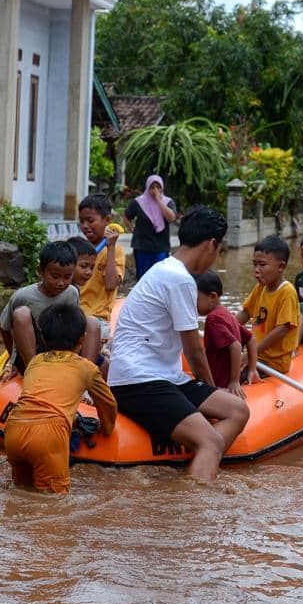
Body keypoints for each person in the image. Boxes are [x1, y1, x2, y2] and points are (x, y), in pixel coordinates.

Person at [108, 206, 249, 481]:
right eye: (219, 249)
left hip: (165, 376)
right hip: (138, 380)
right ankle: (193, 495)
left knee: (238, 409)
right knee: (211, 441)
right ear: (211, 244)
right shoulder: (179, 279)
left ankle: (198, 465)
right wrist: (210, 389)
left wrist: (207, 395)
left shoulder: (167, 269)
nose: (216, 257)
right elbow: (194, 351)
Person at [4, 303, 117, 494]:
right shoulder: (86, 368)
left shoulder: (35, 362)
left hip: (13, 430)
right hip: (49, 435)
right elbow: (108, 404)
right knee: (54, 501)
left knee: (22, 491)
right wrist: (106, 428)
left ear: (43, 337)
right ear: (82, 339)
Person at [0, 241, 100, 372]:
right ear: (40, 271)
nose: (61, 283)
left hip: (62, 351)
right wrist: (12, 358)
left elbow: (75, 327)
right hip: (34, 354)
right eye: (55, 277)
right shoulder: (22, 296)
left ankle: (85, 373)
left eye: (67, 277)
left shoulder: (72, 293)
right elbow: (4, 327)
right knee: (21, 314)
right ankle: (33, 371)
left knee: (92, 322)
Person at [236, 235, 299, 375]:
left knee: (235, 374)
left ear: (281, 267)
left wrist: (251, 353)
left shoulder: (287, 292)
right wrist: (226, 327)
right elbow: (245, 313)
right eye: (254, 264)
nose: (256, 270)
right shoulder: (261, 287)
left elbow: (282, 329)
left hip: (273, 362)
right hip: (257, 354)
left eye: (262, 265)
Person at [195, 269, 258, 398]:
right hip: (222, 379)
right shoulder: (226, 314)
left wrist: (234, 381)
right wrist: (252, 369)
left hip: (219, 383)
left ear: (212, 297)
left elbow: (235, 346)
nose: (192, 304)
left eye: (196, 299)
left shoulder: (213, 319)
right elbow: (251, 339)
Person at [77, 193, 125, 338]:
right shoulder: (77, 248)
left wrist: (110, 248)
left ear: (107, 220)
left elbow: (111, 285)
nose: (85, 226)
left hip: (97, 318)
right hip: (74, 314)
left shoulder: (115, 251)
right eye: (81, 221)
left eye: (90, 220)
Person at [125, 174, 178, 281]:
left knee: (160, 276)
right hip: (142, 246)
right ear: (147, 188)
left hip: (161, 246)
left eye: (158, 187)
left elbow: (171, 218)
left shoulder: (168, 202)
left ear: (162, 188)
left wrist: (159, 201)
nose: (155, 190)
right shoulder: (139, 202)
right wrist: (131, 228)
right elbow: (126, 216)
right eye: (152, 187)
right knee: (143, 277)